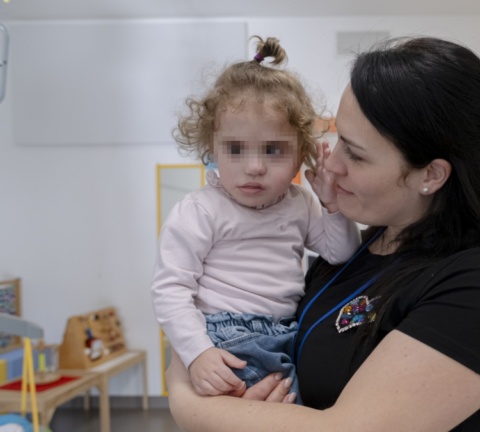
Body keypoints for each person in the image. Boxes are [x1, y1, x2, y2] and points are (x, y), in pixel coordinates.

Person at [166, 36, 480, 431]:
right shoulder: (356, 254)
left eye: (356, 153)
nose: (332, 164)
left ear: (430, 174)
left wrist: (189, 405)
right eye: (339, 138)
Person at [151, 37, 361, 404]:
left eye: (274, 150)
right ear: (211, 149)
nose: (255, 167)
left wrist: (332, 206)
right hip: (225, 336)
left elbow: (341, 253)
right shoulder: (200, 210)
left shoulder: (300, 203)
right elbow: (170, 290)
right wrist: (197, 352)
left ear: (300, 156)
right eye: (235, 149)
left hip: (285, 334)